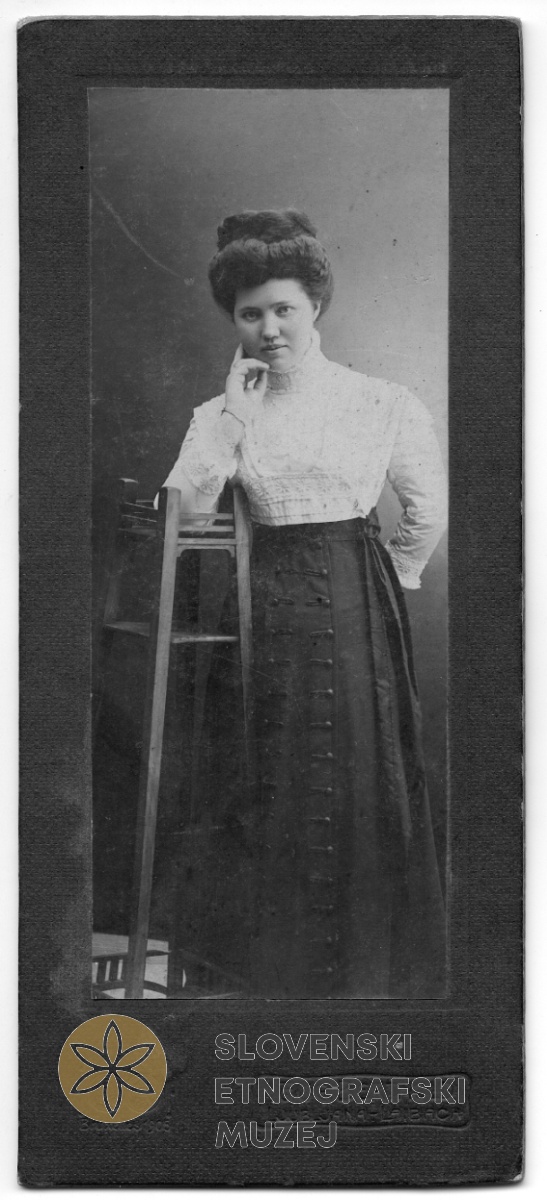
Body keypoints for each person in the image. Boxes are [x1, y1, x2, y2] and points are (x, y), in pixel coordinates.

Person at [161, 209, 448, 999]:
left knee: (359, 783)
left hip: (355, 610)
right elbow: (182, 512)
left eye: (283, 308)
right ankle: (267, 976)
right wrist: (232, 415)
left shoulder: (380, 401)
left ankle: (362, 975)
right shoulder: (218, 414)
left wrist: (386, 582)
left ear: (315, 304)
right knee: (266, 784)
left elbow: (426, 509)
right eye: (249, 314)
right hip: (260, 614)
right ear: (233, 321)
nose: (268, 329)